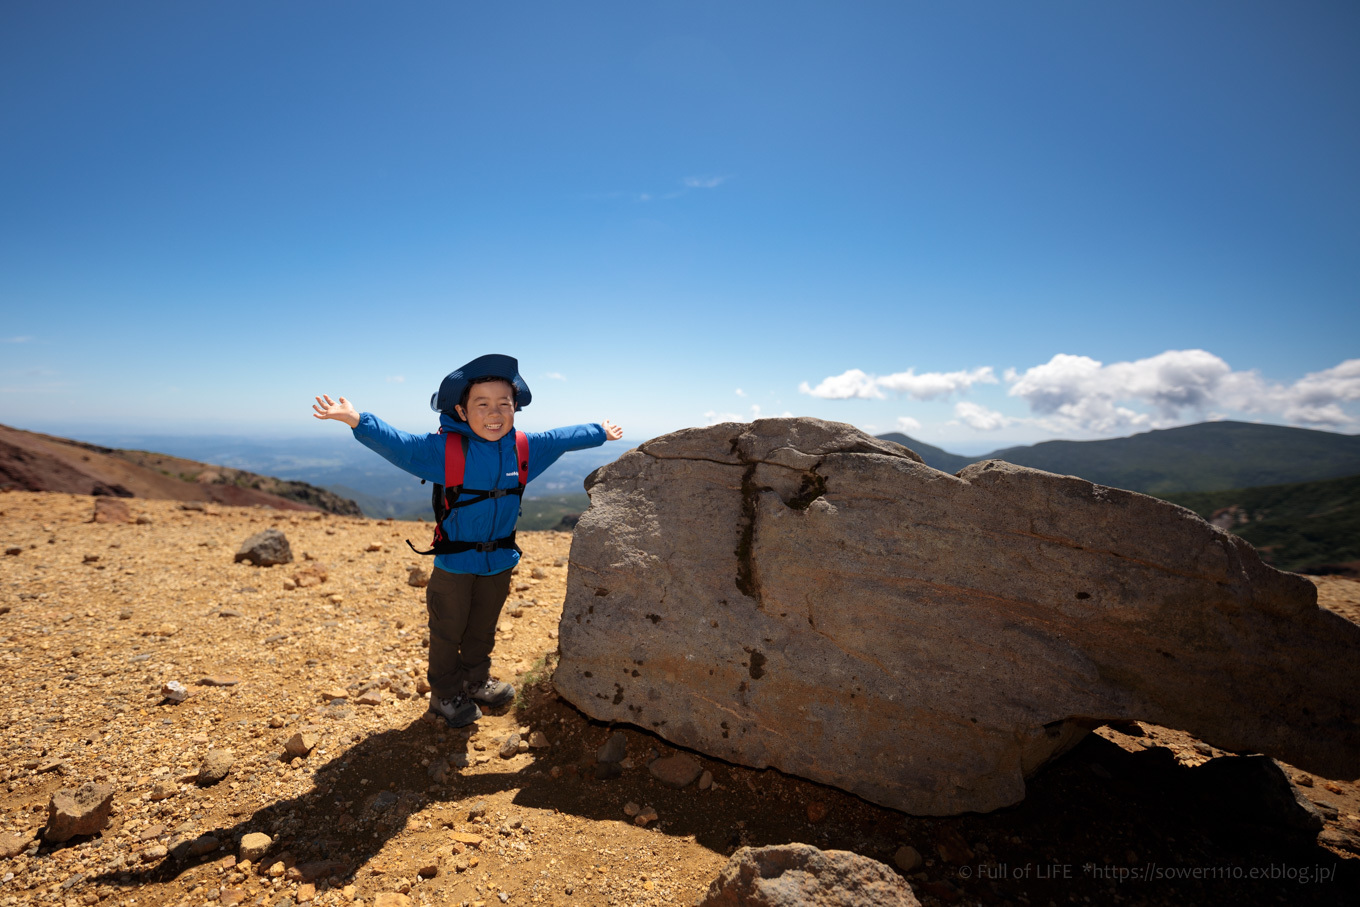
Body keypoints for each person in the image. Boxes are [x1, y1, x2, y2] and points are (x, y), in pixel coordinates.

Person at [312, 354, 623, 727]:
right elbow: (401, 445)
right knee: (447, 631)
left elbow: (561, 438)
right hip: (454, 566)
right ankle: (445, 695)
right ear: (461, 410)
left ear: (514, 408)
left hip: (500, 562)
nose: (495, 413)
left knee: (482, 627)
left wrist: (599, 431)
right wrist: (358, 421)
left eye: (504, 404)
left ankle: (476, 682)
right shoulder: (445, 451)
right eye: (482, 404)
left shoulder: (523, 448)